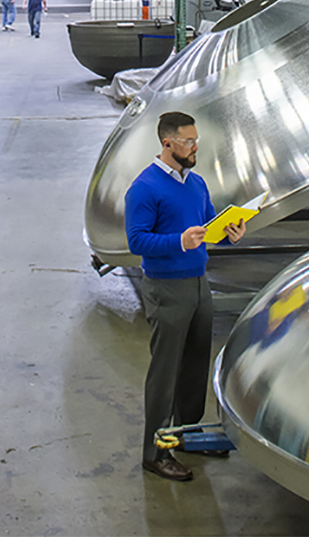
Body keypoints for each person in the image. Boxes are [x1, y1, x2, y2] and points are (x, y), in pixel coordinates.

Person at [125, 111, 246, 482]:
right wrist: (178, 241)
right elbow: (137, 240)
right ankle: (155, 452)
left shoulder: (195, 183)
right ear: (167, 144)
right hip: (166, 288)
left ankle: (187, 436)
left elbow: (207, 226)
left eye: (196, 140)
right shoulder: (144, 188)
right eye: (188, 141)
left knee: (195, 366)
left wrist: (228, 232)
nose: (195, 147)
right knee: (165, 373)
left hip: (198, 283)